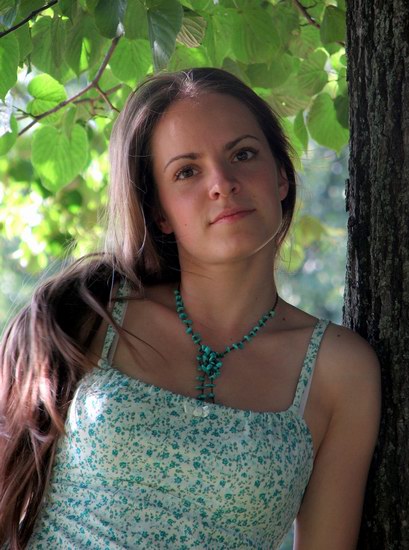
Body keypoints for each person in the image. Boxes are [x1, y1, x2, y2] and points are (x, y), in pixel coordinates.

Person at [0, 68, 381, 550]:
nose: (222, 183)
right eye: (187, 171)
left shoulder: (340, 370)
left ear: (282, 177)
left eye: (243, 154)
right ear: (159, 211)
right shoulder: (84, 315)